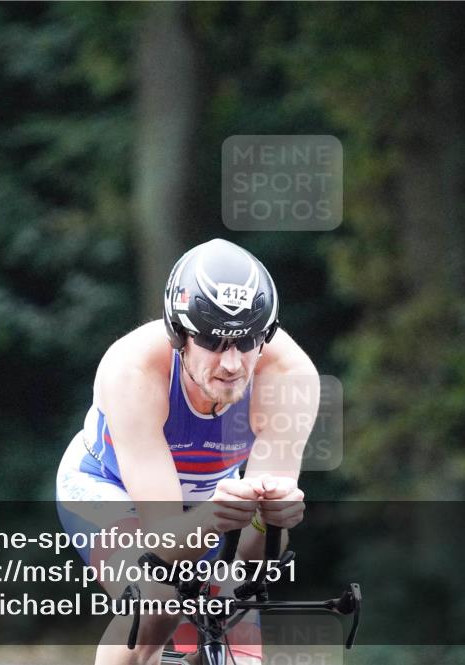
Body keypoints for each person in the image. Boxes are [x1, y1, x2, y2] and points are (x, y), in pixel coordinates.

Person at [56, 238, 318, 665]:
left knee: (233, 627)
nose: (232, 364)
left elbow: (255, 561)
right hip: (107, 489)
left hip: (212, 499)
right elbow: (160, 543)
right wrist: (218, 517)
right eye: (214, 342)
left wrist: (273, 521)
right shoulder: (134, 370)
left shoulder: (290, 376)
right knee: (154, 605)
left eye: (248, 341)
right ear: (179, 334)